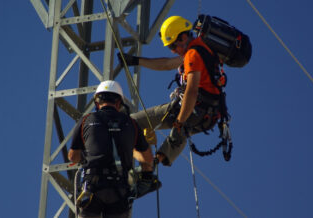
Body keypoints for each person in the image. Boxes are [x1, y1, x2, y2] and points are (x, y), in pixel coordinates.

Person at [118, 15, 226, 166]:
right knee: (181, 130)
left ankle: (143, 163)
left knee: (132, 122)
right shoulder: (201, 48)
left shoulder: (192, 55)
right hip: (209, 116)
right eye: (170, 48)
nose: (174, 51)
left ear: (183, 37)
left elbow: (192, 91)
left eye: (173, 46)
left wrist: (179, 123)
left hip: (196, 109)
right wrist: (135, 61)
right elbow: (166, 64)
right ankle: (155, 162)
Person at [68, 80, 161, 218]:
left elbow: (72, 157)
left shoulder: (86, 120)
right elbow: (147, 159)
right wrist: (146, 177)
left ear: (97, 102)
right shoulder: (132, 124)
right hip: (119, 191)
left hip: (93, 188)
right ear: (119, 103)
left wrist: (87, 155)